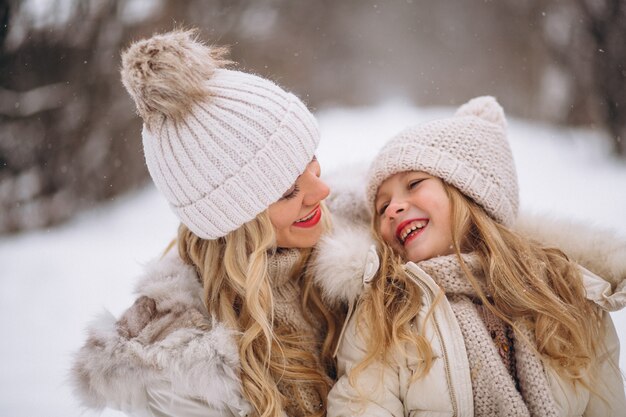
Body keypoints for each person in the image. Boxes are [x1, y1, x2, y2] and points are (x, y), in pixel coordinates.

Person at [70, 29, 343, 417]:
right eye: (287, 191)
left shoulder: (367, 242)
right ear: (234, 223)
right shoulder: (180, 371)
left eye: (311, 161)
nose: (323, 190)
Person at [320, 96, 626, 416]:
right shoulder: (385, 311)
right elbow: (362, 404)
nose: (393, 208)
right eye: (382, 207)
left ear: (470, 193)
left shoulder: (565, 294)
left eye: (414, 184)